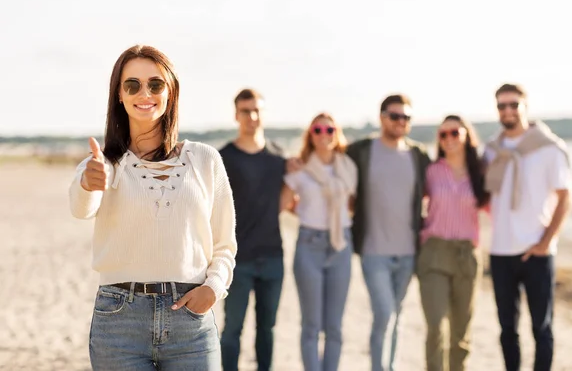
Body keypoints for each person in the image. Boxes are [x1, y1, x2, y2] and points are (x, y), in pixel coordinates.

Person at [68, 45, 236, 371]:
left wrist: (213, 288)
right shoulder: (102, 164)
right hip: (119, 321)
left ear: (170, 91)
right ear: (119, 94)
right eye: (132, 84)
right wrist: (90, 183)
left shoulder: (205, 159)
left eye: (155, 84)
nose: (145, 93)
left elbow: (225, 243)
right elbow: (81, 208)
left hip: (191, 320)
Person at [484, 83, 572, 371]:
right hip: (500, 251)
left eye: (513, 105)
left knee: (541, 327)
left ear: (525, 107)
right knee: (507, 329)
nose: (507, 111)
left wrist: (546, 242)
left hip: (536, 252)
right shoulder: (492, 150)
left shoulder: (548, 148)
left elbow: (565, 198)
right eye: (502, 105)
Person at [346, 94, 431, 371]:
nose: (400, 122)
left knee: (398, 315)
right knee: (384, 313)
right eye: (395, 116)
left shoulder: (418, 155)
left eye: (406, 117)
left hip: (408, 252)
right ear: (382, 117)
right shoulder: (361, 150)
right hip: (373, 251)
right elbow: (327, 157)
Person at [219, 89, 298, 371]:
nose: (252, 117)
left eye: (256, 110)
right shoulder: (223, 158)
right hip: (236, 259)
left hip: (273, 257)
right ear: (236, 115)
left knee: (267, 330)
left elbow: (284, 202)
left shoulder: (279, 157)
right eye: (245, 111)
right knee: (232, 331)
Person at [280, 113, 357, 371]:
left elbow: (353, 206)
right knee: (311, 325)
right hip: (309, 246)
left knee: (334, 326)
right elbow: (282, 204)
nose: (324, 134)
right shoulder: (300, 168)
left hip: (341, 245)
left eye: (329, 129)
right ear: (310, 135)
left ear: (337, 132)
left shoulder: (348, 166)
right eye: (318, 129)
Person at [418, 115, 489, 371]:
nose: (448, 139)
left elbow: (497, 207)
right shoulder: (431, 171)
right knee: (436, 326)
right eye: (443, 134)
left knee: (461, 332)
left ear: (466, 136)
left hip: (466, 255)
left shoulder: (480, 172)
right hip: (434, 253)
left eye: (454, 133)